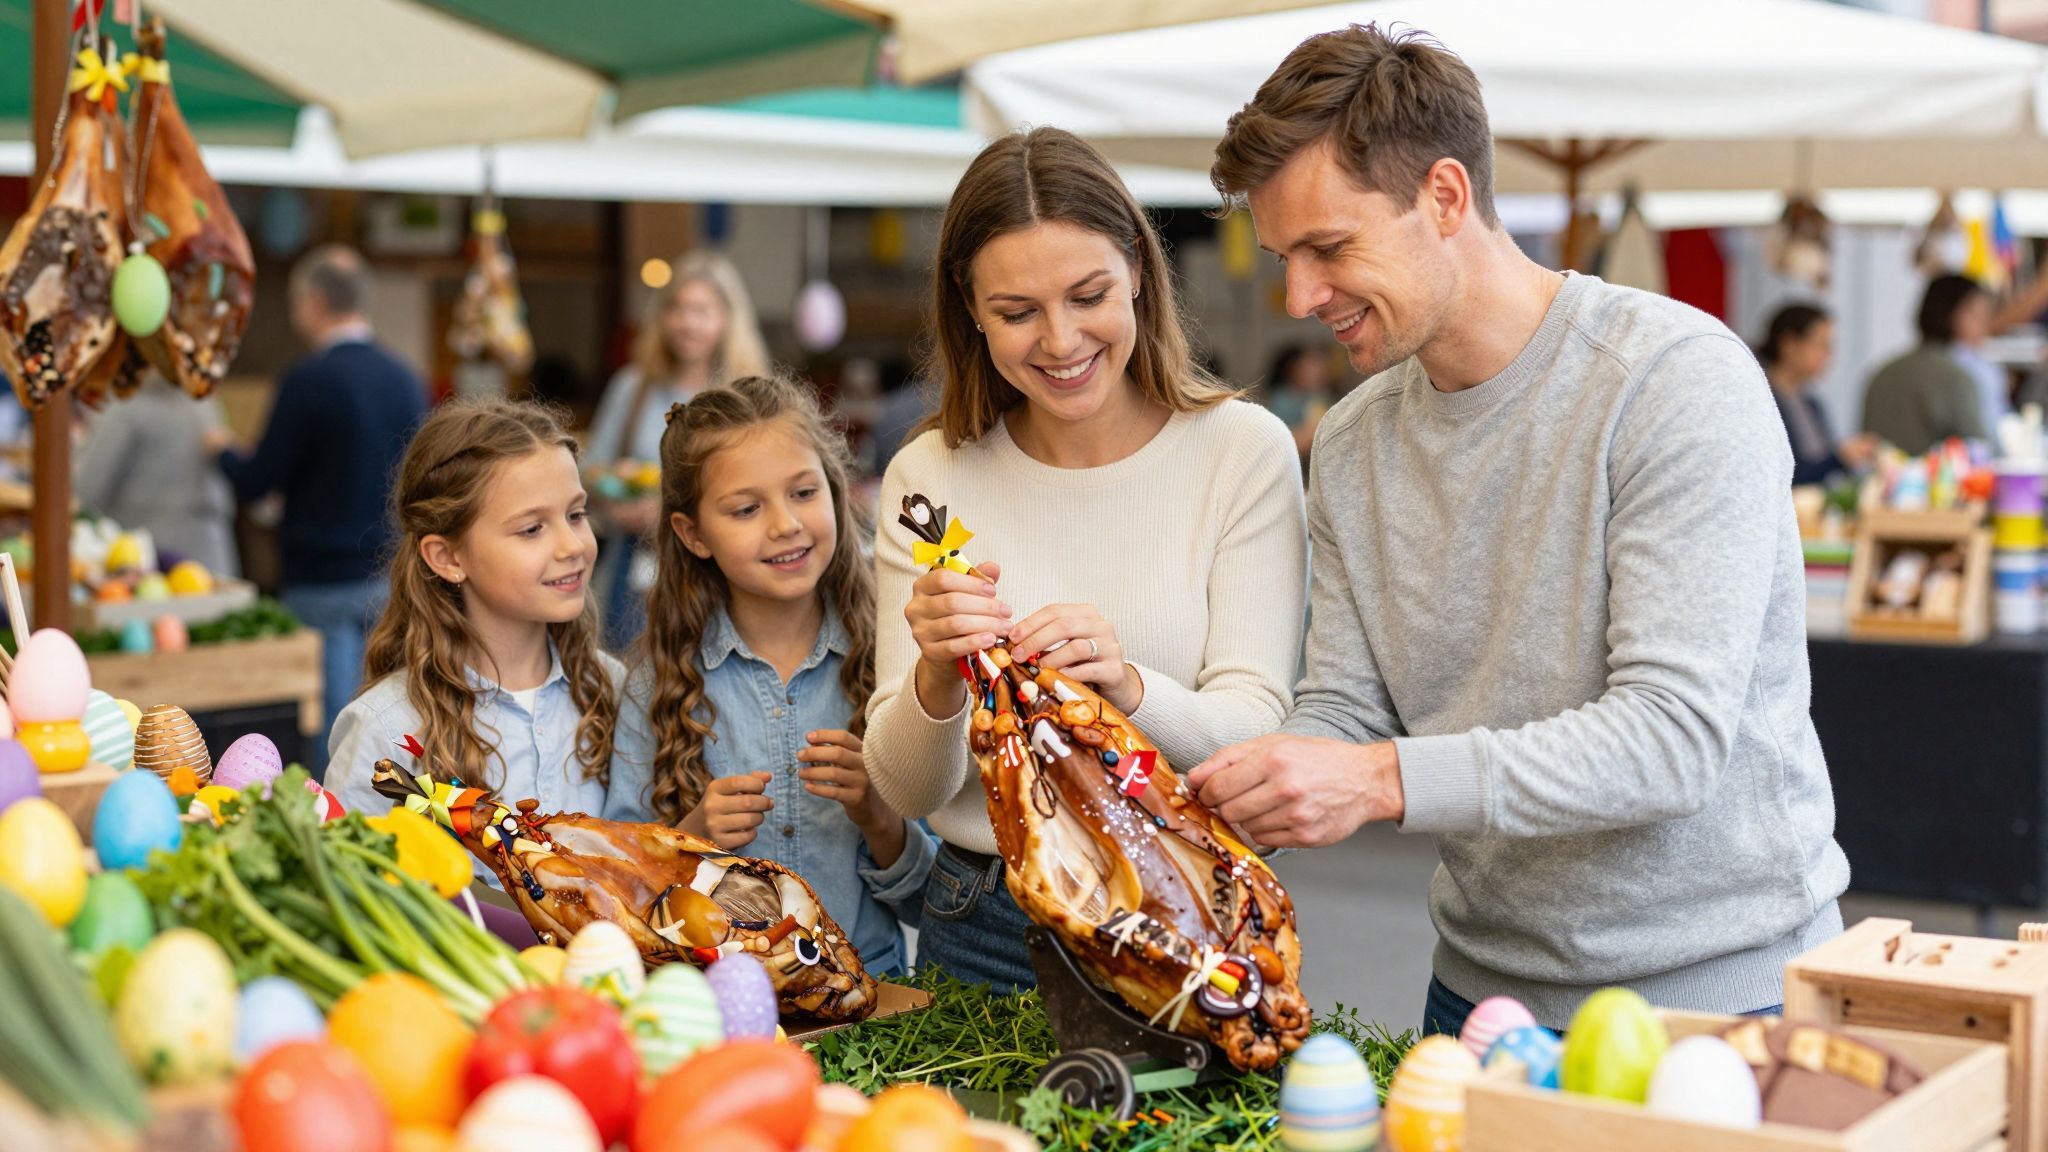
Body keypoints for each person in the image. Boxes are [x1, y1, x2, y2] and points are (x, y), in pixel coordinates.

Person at [1190, 25, 1846, 1036]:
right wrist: (1249, 791)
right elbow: (1346, 706)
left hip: (1722, 1001)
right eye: (1284, 257)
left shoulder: (1673, 381)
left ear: (1444, 197)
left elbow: (1669, 742)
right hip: (1475, 998)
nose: (1298, 297)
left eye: (1327, 247)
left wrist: (1372, 781)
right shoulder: (1355, 439)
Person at [866, 127, 1308, 990]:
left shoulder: (1242, 452)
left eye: (1088, 294)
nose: (1061, 341)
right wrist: (935, 675)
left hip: (1181, 902)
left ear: (1140, 272)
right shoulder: (931, 479)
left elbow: (1259, 733)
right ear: (971, 311)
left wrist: (1128, 685)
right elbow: (911, 791)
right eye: (1017, 312)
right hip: (984, 917)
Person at [606, 376, 935, 977]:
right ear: (693, 534)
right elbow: (624, 890)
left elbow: (938, 903)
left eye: (804, 492)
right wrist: (693, 836)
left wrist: (877, 816)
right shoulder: (655, 684)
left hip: (874, 1006)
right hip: (718, 1003)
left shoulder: (901, 662)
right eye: (746, 509)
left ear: (836, 493)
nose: (785, 524)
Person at [326, 399, 621, 886]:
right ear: (447, 557)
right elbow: (352, 893)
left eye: (576, 514)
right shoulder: (387, 729)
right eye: (532, 529)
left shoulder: (613, 689)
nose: (572, 546)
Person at [209, 245, 427, 758]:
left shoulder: (306, 381)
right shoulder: (406, 379)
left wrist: (222, 453)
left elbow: (259, 481)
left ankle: (334, 822)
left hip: (319, 579)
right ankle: (390, 818)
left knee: (334, 730)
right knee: (396, 715)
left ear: (313, 302)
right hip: (391, 574)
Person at [587, 251, 770, 651]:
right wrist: (617, 499)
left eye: (702, 311)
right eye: (678, 309)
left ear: (727, 319)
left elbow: (764, 485)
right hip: (632, 570)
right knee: (630, 674)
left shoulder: (746, 395)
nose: (688, 323)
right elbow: (589, 474)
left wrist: (671, 512)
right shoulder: (632, 388)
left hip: (721, 571)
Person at [76, 374, 240, 577]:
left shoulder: (125, 407)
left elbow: (87, 490)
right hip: (214, 552)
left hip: (151, 561)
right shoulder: (204, 400)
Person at [1861, 275, 1993, 454]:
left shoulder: (1883, 371)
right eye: (1979, 314)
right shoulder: (1955, 375)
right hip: (1936, 480)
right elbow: (1982, 450)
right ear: (1952, 313)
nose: (1986, 324)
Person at [1756, 304, 1875, 486]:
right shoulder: (1760, 400)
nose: (1828, 355)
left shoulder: (1812, 403)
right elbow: (1784, 474)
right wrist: (1840, 458)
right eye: (1821, 345)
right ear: (1789, 345)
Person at [1264, 343, 1338, 464]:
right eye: (1312, 365)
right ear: (1294, 369)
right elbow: (1279, 443)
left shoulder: (1321, 397)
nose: (1320, 371)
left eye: (1321, 365)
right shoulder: (1283, 400)